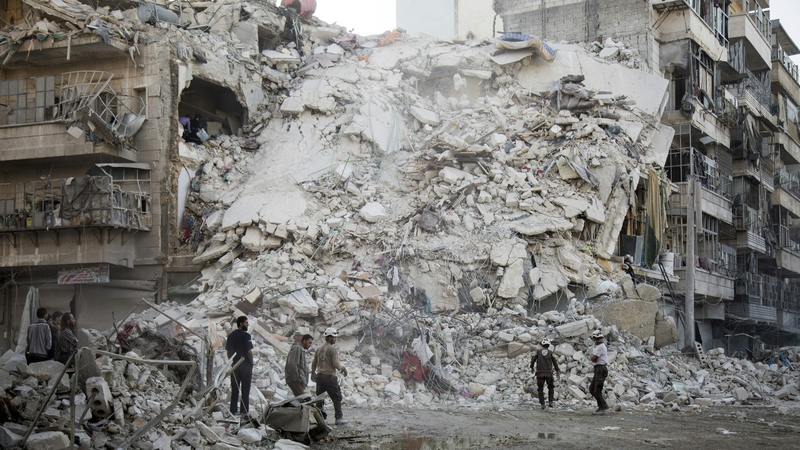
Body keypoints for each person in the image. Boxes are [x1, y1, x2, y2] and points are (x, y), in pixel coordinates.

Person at [311, 327, 348, 425]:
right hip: (330, 377)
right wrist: (342, 368)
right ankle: (338, 418)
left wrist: (312, 372)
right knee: (337, 397)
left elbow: (314, 363)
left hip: (319, 377)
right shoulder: (332, 349)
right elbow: (335, 364)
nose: (335, 339)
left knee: (320, 399)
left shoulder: (319, 349)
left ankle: (320, 420)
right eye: (334, 337)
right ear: (330, 337)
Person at [226, 315, 254, 416]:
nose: (248, 325)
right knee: (245, 389)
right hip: (245, 365)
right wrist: (251, 363)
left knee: (235, 388)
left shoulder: (231, 335)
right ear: (241, 324)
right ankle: (244, 411)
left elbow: (228, 352)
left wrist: (231, 361)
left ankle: (233, 411)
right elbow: (249, 352)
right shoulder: (246, 336)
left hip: (234, 365)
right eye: (246, 323)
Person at [526, 338, 560, 409]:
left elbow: (533, 360)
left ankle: (542, 404)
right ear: (548, 345)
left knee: (540, 388)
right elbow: (554, 362)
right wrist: (557, 370)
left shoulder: (538, 352)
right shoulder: (550, 353)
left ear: (542, 345)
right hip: (548, 373)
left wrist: (531, 367)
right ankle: (550, 402)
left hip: (540, 373)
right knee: (550, 387)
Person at [588, 329, 610, 414]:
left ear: (595, 339)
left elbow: (594, 358)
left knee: (597, 390)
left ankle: (603, 407)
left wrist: (591, 356)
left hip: (600, 369)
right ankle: (601, 406)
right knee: (592, 389)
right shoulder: (599, 347)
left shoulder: (600, 347)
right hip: (598, 369)